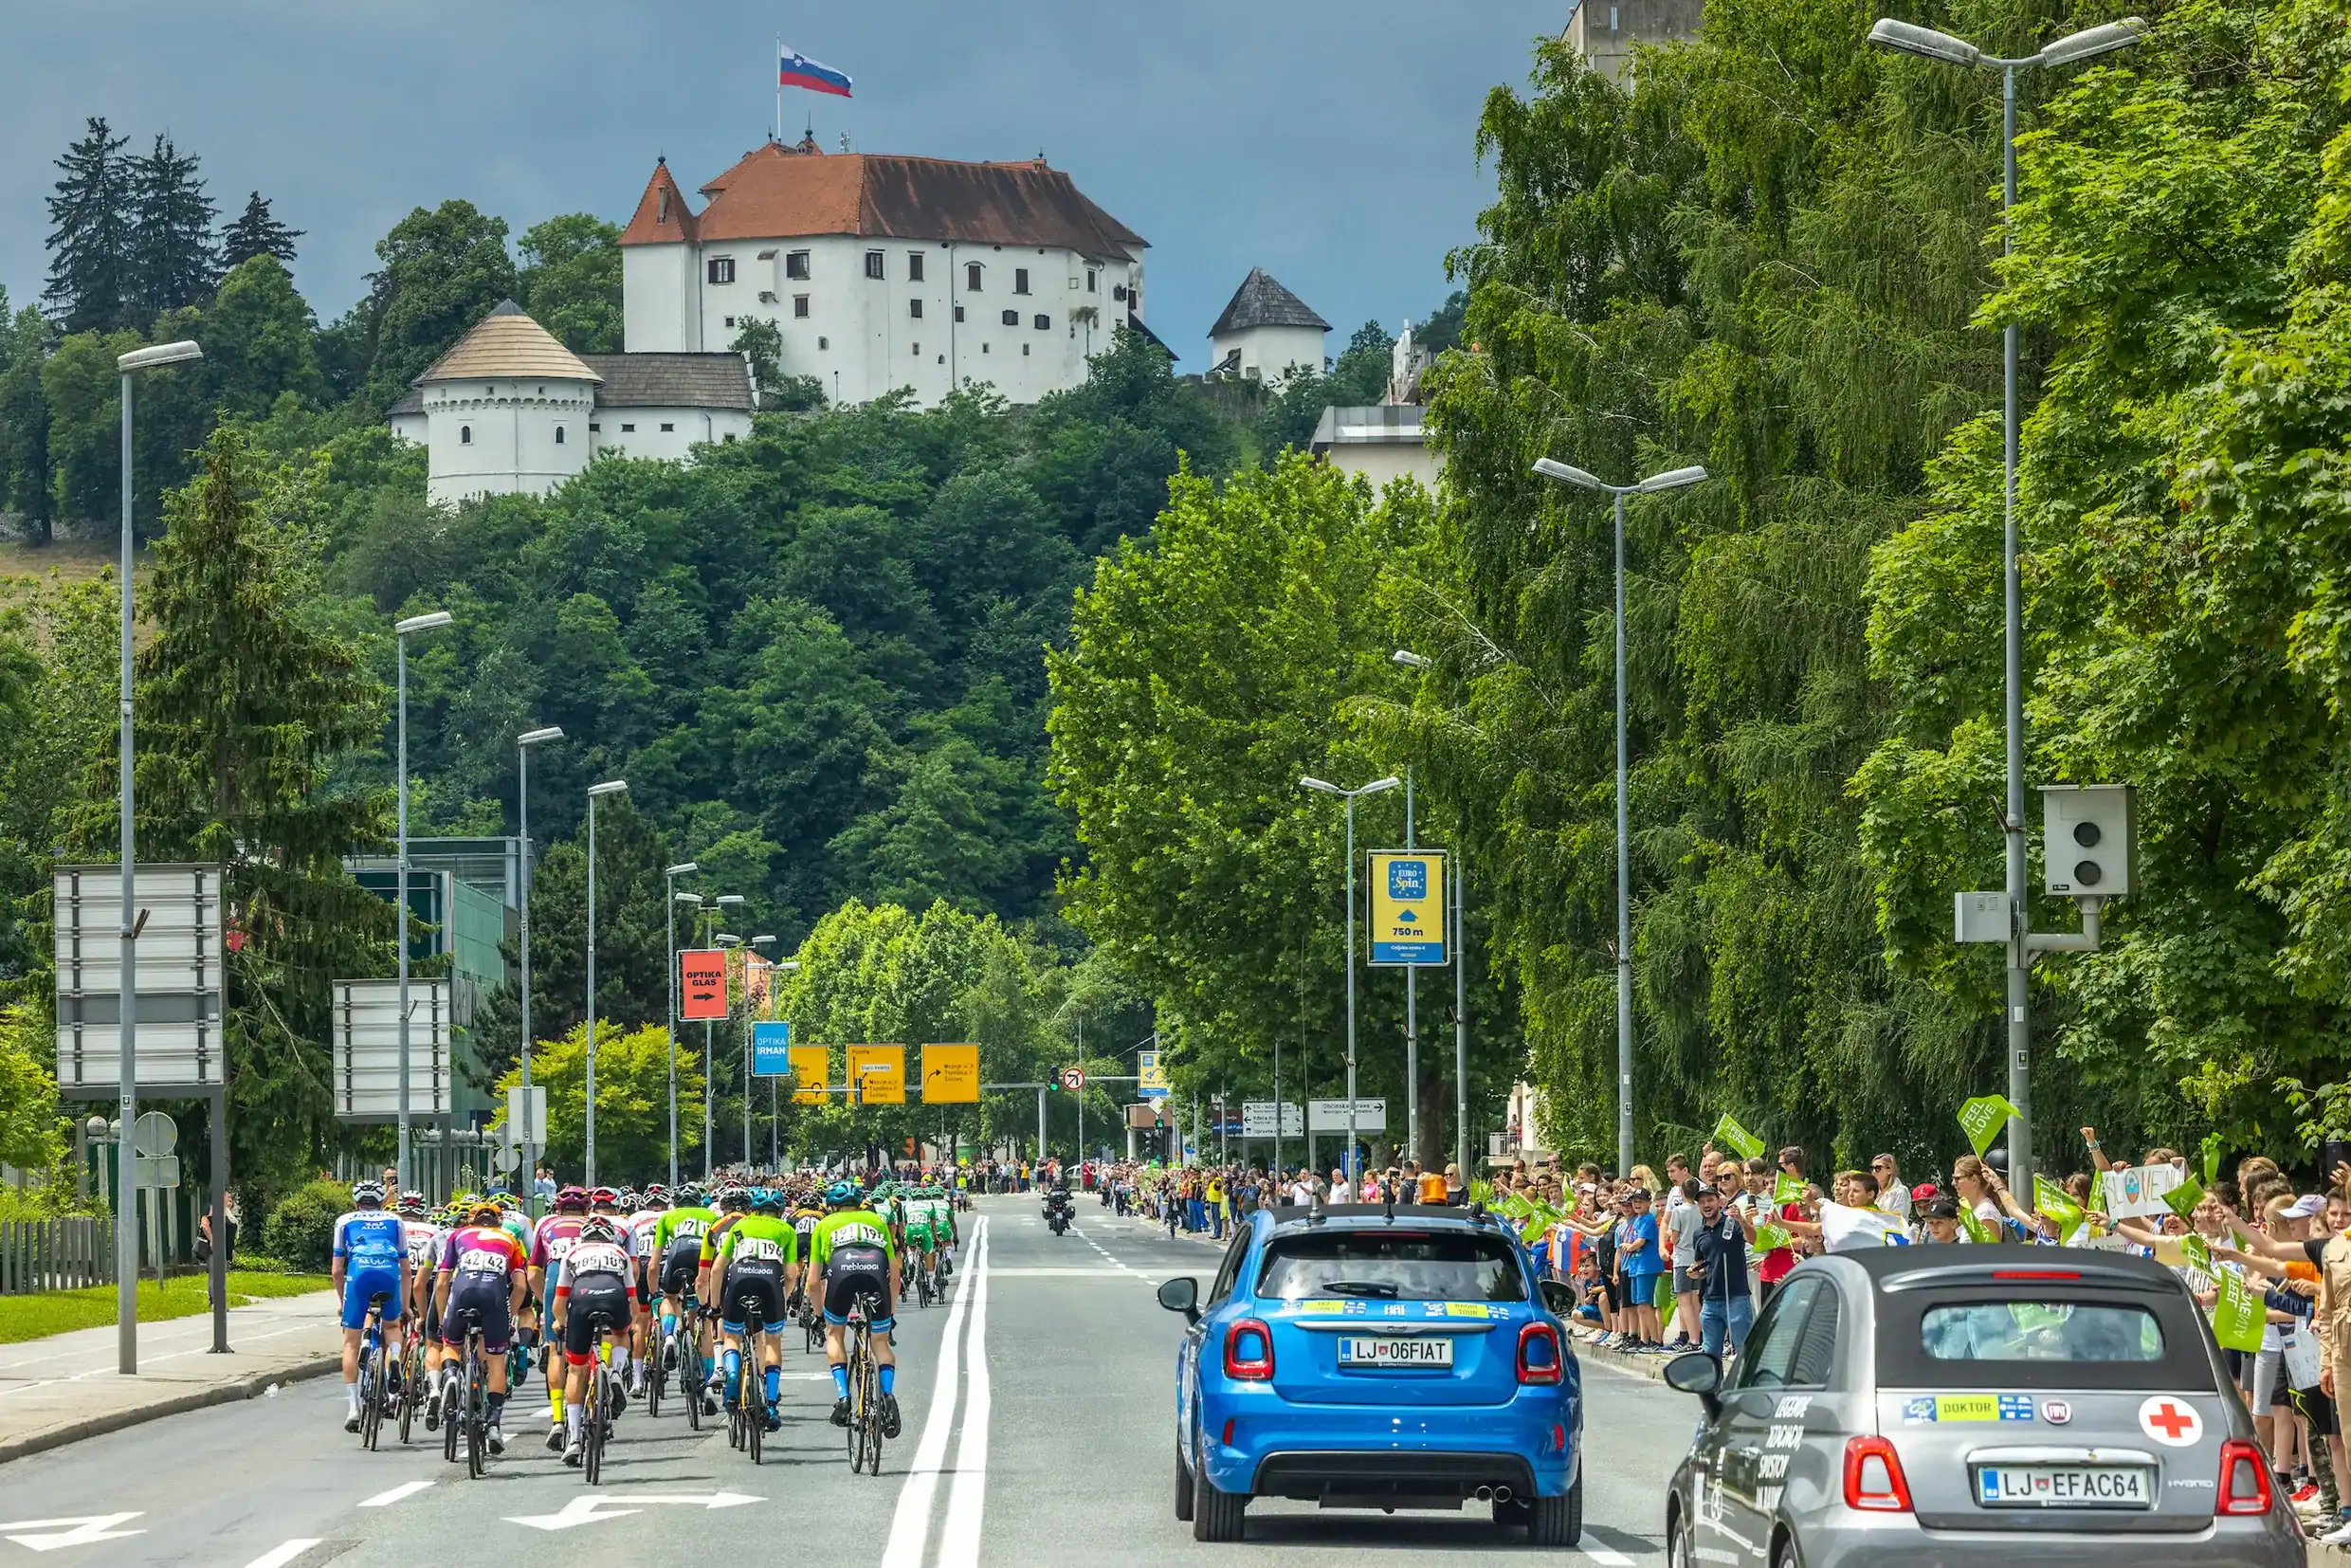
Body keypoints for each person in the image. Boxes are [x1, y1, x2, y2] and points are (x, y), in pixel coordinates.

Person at [433, 1196, 527, 1454]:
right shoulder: (510, 1240)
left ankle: (451, 1376)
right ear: (499, 1222)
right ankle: (494, 1422)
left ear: (472, 1220)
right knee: (496, 1360)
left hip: (463, 1291)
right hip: (494, 1296)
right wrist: (510, 1315)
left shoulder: (458, 1235)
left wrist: (443, 1318)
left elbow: (442, 1283)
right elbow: (520, 1286)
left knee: (450, 1345)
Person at [811, 1179, 903, 1439]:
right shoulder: (876, 1221)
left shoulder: (824, 1225)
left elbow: (813, 1281)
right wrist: (890, 1314)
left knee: (835, 1335)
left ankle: (843, 1397)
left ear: (833, 1206)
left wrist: (820, 1317)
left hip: (841, 1271)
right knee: (881, 1344)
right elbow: (894, 1275)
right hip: (876, 1271)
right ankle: (886, 1394)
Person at [712, 1189, 800, 1432]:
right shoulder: (786, 1230)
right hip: (770, 1282)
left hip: (739, 1278)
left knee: (732, 1336)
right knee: (772, 1342)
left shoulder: (739, 1227)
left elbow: (718, 1269)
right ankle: (771, 1405)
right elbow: (792, 1274)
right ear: (780, 1211)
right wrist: (783, 1298)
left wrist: (714, 1305)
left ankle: (731, 1373)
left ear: (753, 1210)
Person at [553, 1214, 636, 1466]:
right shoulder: (619, 1253)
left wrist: (561, 1323)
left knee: (577, 1370)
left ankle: (574, 1439)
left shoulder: (573, 1252)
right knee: (621, 1333)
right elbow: (632, 1296)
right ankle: (616, 1373)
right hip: (615, 1296)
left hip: (582, 1299)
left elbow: (559, 1300)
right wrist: (629, 1324)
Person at [331, 1179, 409, 1432]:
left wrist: (343, 1302)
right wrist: (405, 1307)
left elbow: (336, 1270)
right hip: (388, 1271)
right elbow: (406, 1268)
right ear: (382, 1201)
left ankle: (354, 1408)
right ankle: (395, 1356)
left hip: (358, 1273)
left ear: (356, 1202)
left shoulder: (344, 1221)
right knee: (391, 1325)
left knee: (350, 1342)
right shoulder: (395, 1221)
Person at [1689, 1176, 1755, 1360]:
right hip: (1710, 1300)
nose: (1706, 1205)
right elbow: (1702, 1265)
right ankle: (1714, 1388)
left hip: (1736, 1297)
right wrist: (1696, 1272)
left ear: (1719, 1202)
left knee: (1744, 1351)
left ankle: (1745, 1387)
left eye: (1710, 1200)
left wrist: (1742, 1219)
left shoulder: (1731, 1223)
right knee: (1710, 1354)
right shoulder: (1698, 1234)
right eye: (1702, 1202)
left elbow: (1752, 1239)